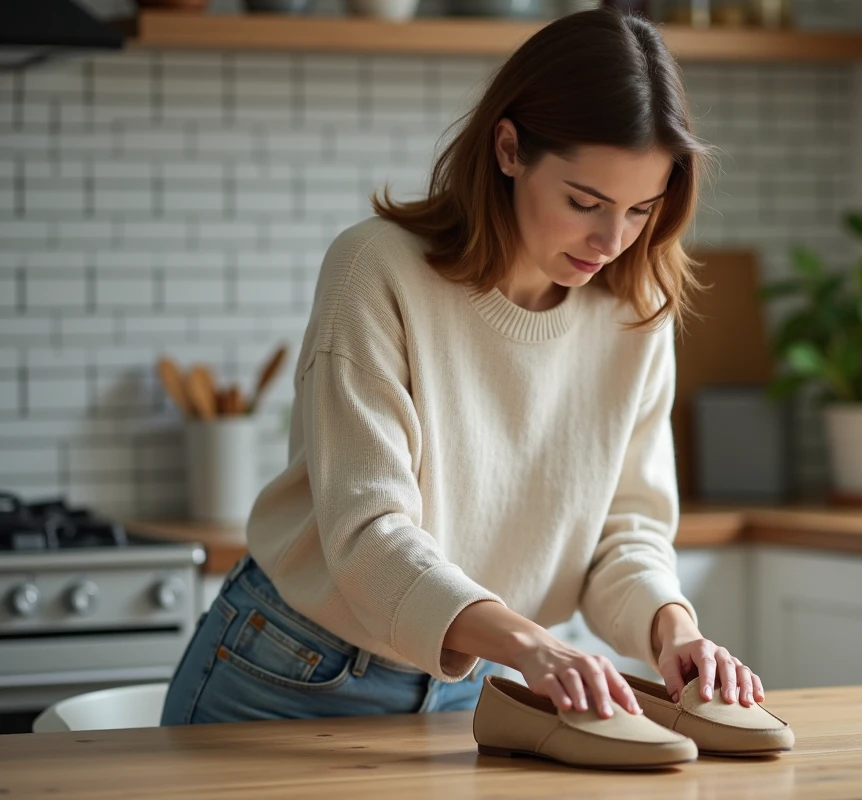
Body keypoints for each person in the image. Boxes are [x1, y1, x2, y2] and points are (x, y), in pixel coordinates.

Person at [161, 7, 765, 726]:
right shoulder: (375, 271)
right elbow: (369, 534)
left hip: (484, 684)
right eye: (585, 201)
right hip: (293, 673)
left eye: (641, 209)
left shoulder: (635, 309)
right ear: (509, 149)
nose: (611, 239)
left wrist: (675, 631)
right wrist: (531, 645)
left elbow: (625, 532)